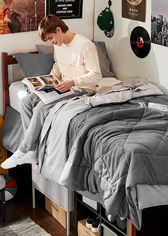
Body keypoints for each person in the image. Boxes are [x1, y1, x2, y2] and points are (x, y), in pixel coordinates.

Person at [1, 14, 102, 169]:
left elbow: (96, 75)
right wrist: (50, 78)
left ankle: (23, 150)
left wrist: (73, 82)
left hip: (81, 89)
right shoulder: (58, 45)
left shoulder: (85, 45)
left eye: (51, 38)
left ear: (59, 30)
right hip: (63, 85)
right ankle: (33, 150)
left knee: (42, 108)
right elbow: (58, 65)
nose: (52, 42)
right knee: (28, 101)